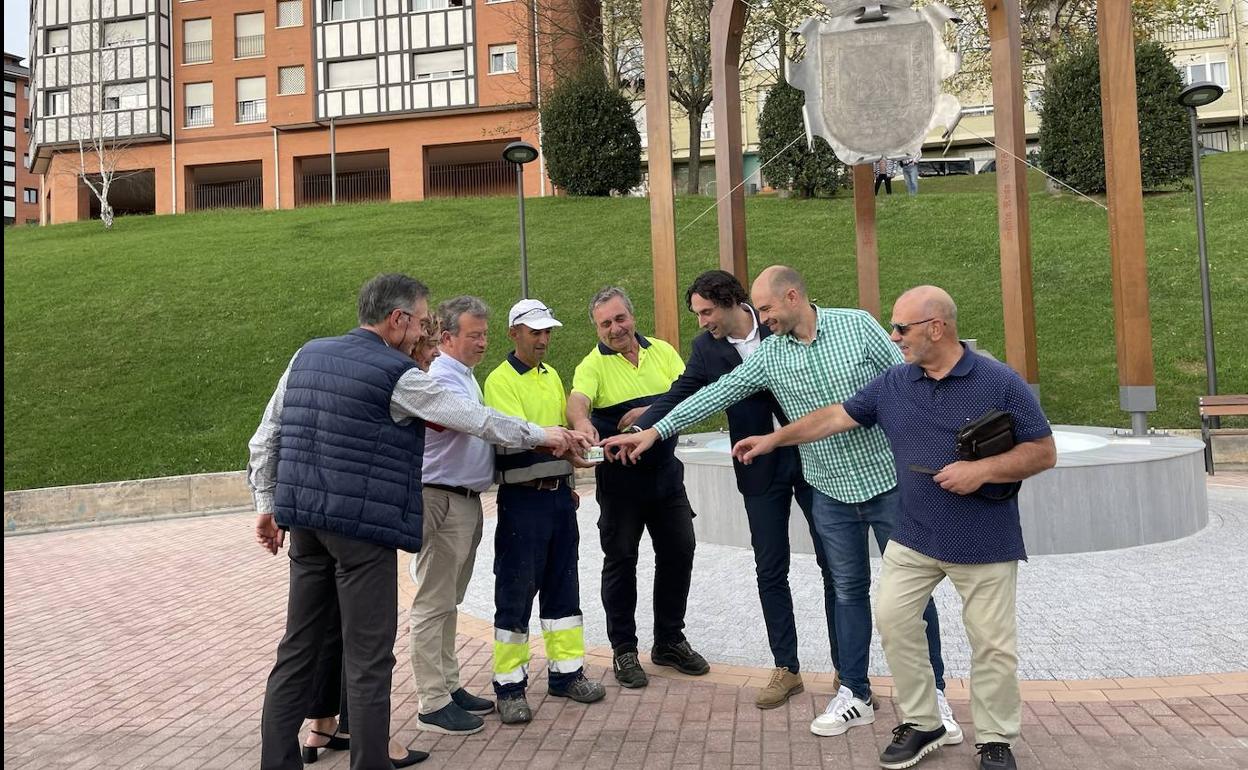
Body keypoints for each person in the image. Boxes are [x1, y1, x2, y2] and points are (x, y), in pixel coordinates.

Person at [602, 266, 955, 741]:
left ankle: (934, 700)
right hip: (828, 487)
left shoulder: (856, 325)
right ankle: (854, 692)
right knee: (849, 592)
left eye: (767, 308)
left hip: (888, 482)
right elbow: (712, 395)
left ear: (793, 296)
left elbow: (906, 380)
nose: (762, 318)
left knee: (912, 595)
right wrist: (654, 430)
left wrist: (930, 449)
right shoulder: (770, 356)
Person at [249, 273, 587, 770]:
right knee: (368, 655)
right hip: (362, 532)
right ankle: (371, 761)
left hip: (304, 524)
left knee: (297, 646)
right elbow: (474, 419)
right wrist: (544, 434)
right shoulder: (397, 373)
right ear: (397, 319)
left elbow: (266, 436)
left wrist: (266, 502)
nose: (426, 335)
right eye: (423, 323)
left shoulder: (307, 353)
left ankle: (277, 762)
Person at [732, 286, 1056, 770]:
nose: (894, 336)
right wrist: (774, 439)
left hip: (984, 539)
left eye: (903, 328)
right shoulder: (895, 383)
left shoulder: (998, 381)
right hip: (914, 536)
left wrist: (982, 470)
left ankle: (995, 741)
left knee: (991, 644)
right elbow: (834, 417)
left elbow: (1044, 451)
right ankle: (924, 722)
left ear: (937, 328)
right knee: (894, 621)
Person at [630, 270, 839, 709]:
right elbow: (685, 391)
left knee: (833, 562)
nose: (703, 321)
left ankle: (847, 667)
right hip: (757, 465)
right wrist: (649, 423)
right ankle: (787, 668)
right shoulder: (707, 349)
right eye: (698, 314)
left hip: (814, 455)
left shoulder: (777, 319)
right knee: (769, 568)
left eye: (706, 311)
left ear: (729, 301)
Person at [567, 286, 710, 688]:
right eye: (606, 324)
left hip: (666, 477)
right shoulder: (592, 364)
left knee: (679, 553)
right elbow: (578, 400)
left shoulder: (663, 352)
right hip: (620, 484)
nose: (615, 329)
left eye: (620, 318)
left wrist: (651, 410)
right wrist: (581, 423)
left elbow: (692, 393)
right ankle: (624, 650)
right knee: (621, 562)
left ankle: (668, 640)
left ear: (632, 316)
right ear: (597, 328)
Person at [483, 299, 607, 724]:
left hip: (557, 499)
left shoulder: (551, 375)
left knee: (563, 587)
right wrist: (563, 440)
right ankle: (510, 686)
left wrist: (571, 477)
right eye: (535, 331)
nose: (543, 339)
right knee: (515, 592)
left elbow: (559, 438)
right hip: (522, 501)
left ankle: (567, 674)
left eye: (548, 331)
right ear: (513, 333)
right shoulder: (499, 380)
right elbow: (515, 435)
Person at [409, 297, 498, 736]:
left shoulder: (461, 374)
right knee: (433, 602)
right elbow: (473, 425)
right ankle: (432, 702)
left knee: (449, 600)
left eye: (484, 334)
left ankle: (448, 685)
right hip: (441, 501)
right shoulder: (441, 375)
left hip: (463, 500)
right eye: (473, 335)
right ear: (446, 337)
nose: (483, 342)